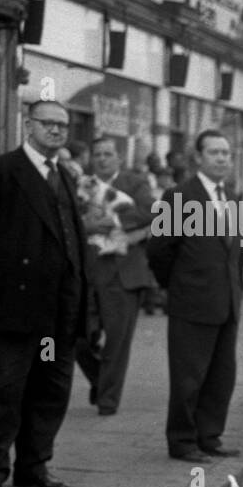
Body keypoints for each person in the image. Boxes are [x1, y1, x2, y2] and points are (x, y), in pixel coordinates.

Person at [0, 100, 89, 487]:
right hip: (16, 312)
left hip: (56, 316)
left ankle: (34, 465)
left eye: (63, 126)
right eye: (48, 124)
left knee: (49, 389)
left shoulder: (64, 175)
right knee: (6, 390)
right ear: (29, 125)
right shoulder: (6, 171)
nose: (55, 131)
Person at [146, 129, 243, 463]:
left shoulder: (235, 197)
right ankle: (182, 440)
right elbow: (158, 250)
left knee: (221, 377)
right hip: (191, 302)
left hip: (227, 302)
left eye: (226, 153)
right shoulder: (179, 196)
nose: (222, 159)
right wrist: (178, 285)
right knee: (188, 376)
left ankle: (209, 435)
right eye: (215, 152)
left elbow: (238, 251)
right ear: (198, 158)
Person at [73, 137, 155, 415]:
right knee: (79, 339)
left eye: (108, 154)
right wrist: (87, 225)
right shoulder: (81, 185)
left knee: (117, 342)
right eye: (97, 154)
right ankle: (100, 379)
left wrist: (114, 221)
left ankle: (108, 401)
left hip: (123, 274)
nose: (102, 159)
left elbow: (150, 212)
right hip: (87, 272)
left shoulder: (135, 183)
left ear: (119, 158)